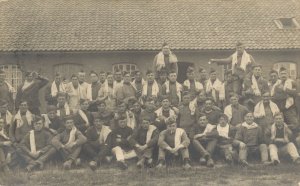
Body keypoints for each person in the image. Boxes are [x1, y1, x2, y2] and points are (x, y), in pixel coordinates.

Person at [272, 67, 299, 133]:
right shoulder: (277, 85)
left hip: (290, 108)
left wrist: (284, 90)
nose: (283, 75)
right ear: (279, 75)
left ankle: (293, 139)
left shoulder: (293, 83)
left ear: (287, 74)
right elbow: (275, 96)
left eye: (285, 73)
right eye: (281, 74)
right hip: (280, 108)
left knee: (295, 124)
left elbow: (296, 93)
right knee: (279, 124)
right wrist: (286, 95)